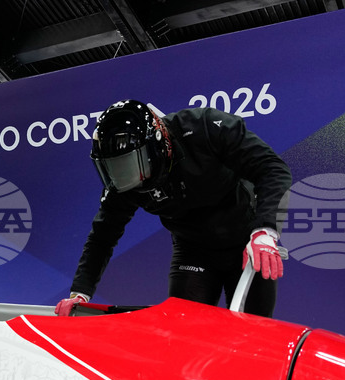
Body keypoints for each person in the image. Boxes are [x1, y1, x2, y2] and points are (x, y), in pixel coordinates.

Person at [56, 100, 292, 318]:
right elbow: (102, 236)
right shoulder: (123, 184)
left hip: (246, 242)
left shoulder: (205, 127)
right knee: (183, 330)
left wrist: (265, 231)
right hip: (193, 249)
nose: (126, 177)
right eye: (115, 168)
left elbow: (272, 169)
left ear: (158, 144)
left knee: (252, 334)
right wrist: (80, 293)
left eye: (129, 164)